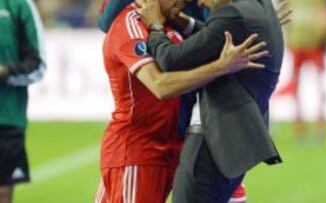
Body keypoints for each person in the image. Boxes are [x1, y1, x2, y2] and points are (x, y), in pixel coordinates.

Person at [94, 0, 269, 202]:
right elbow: (160, 85)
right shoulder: (130, 23)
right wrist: (222, 67)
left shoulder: (168, 21)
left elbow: (207, 38)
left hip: (173, 148)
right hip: (138, 153)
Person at [138, 0, 287, 202]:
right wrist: (181, 21)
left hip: (212, 141)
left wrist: (155, 26)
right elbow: (211, 37)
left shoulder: (232, 15)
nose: (200, 3)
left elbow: (170, 60)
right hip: (235, 139)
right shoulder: (259, 6)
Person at [0, 0, 45, 203]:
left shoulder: (20, 5)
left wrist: (5, 72)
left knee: (3, 192)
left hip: (8, 117)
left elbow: (37, 66)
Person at [276, 0, 326, 139]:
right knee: (296, 86)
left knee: (320, 86)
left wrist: (322, 35)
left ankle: (320, 126)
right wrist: (288, 39)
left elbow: (324, 16)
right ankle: (299, 127)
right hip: (298, 45)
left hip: (315, 45)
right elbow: (285, 15)